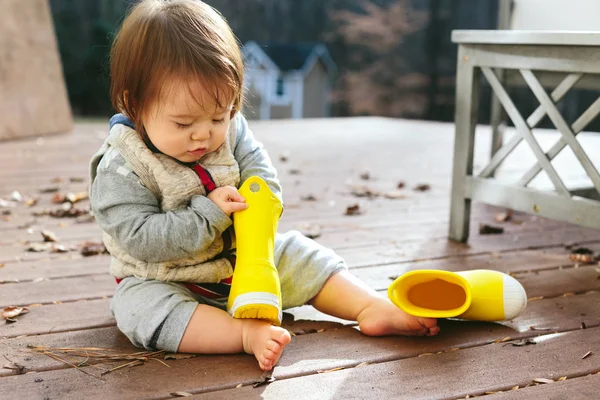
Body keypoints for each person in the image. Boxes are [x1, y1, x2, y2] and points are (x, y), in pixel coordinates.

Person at [89, 0, 439, 372]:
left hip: (244, 264)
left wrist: (259, 198)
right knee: (138, 309)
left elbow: (259, 168)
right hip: (170, 280)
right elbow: (139, 238)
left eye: (218, 116)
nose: (204, 135)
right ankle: (240, 334)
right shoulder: (122, 167)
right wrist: (208, 214)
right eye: (183, 123)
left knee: (298, 253)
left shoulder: (230, 129)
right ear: (133, 104)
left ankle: (369, 306)